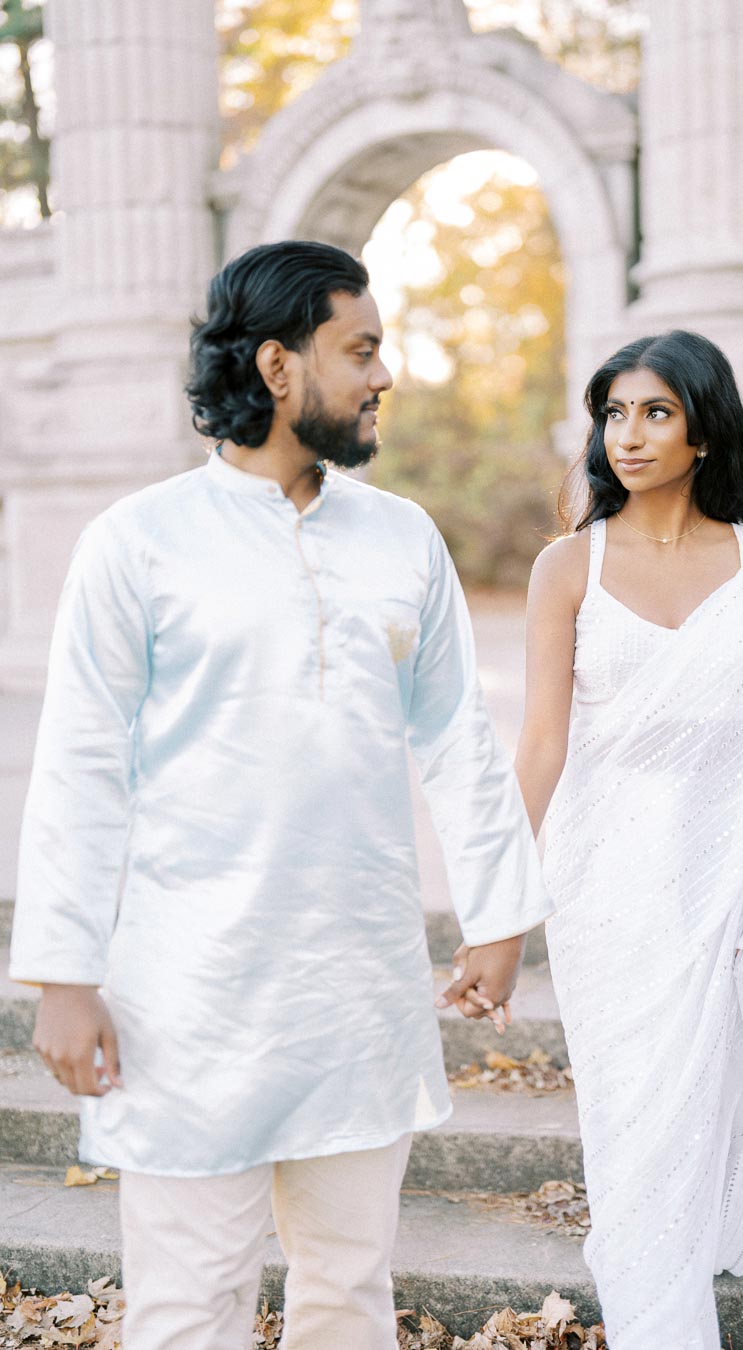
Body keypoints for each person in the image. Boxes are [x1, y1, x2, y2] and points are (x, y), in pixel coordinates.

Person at [9, 240, 553, 1350]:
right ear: (276, 365)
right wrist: (64, 974)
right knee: (187, 1302)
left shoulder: (401, 538)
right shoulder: (139, 542)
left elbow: (457, 736)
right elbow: (80, 759)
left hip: (356, 989)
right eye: (360, 350)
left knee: (349, 1289)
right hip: (189, 995)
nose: (383, 375)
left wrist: (501, 917)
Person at [513, 331, 743, 1350]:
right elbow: (540, 745)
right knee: (633, 1100)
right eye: (614, 413)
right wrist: (500, 897)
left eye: (656, 412)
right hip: (605, 883)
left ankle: (671, 1245)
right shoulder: (567, 566)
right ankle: (660, 1313)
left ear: (705, 432)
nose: (628, 435)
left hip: (730, 872)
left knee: (707, 1089)